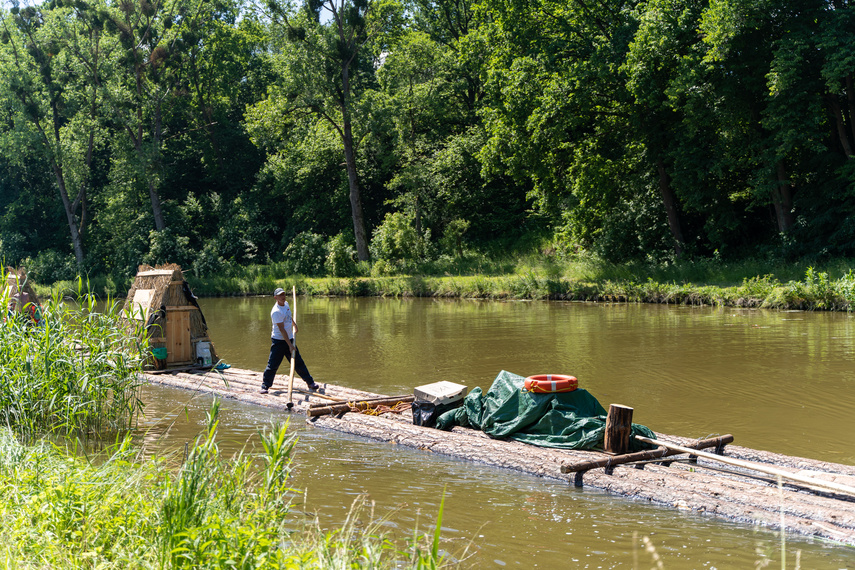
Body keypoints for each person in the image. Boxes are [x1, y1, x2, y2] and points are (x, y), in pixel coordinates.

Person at [261, 287, 318, 394]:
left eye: (283, 294)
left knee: (298, 362)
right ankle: (265, 386)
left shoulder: (286, 304)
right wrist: (290, 345)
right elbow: (282, 330)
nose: (283, 297)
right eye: (280, 295)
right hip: (279, 340)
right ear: (275, 297)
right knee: (273, 364)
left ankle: (310, 382)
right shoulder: (276, 312)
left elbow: (288, 316)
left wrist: (294, 325)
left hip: (290, 338)